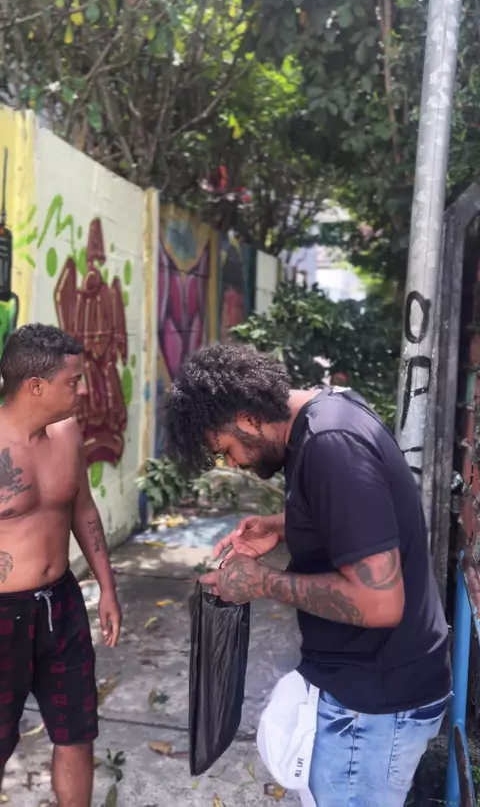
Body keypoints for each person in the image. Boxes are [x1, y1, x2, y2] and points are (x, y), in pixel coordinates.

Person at [163, 343, 452, 807]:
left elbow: (379, 602)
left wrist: (262, 582)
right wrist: (284, 526)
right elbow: (365, 516)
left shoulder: (330, 445)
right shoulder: (328, 413)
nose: (233, 463)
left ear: (247, 419)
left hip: (373, 706)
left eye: (227, 450)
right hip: (368, 690)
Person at [0, 324, 121, 807]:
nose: (83, 391)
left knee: (77, 731)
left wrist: (106, 587)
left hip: (62, 605)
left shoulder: (68, 433)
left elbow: (81, 507)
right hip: (3, 615)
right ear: (36, 385)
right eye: (73, 381)